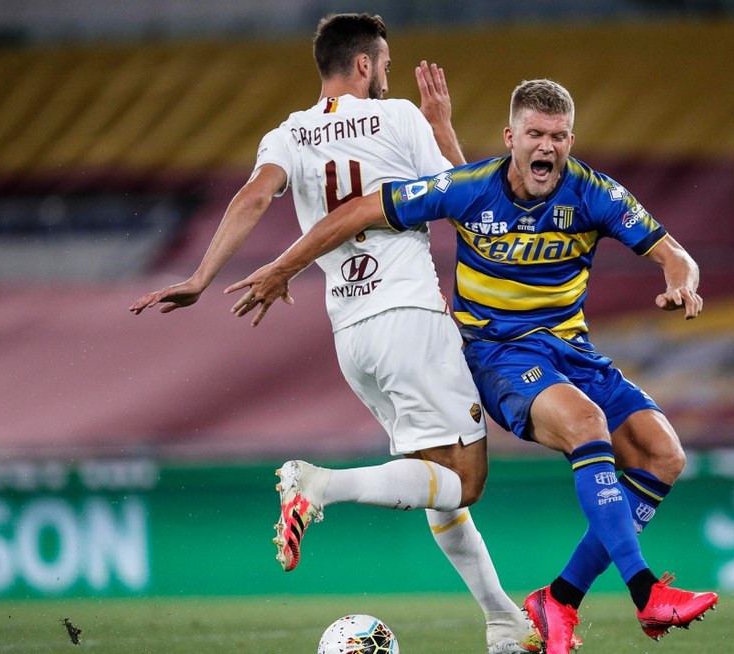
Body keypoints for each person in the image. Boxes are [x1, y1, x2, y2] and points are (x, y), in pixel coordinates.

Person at [226, 78, 720, 653]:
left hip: (572, 350)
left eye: (559, 136)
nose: (548, 146)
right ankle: (644, 594)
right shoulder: (469, 187)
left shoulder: (595, 194)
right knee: (580, 428)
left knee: (663, 455)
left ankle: (557, 600)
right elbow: (362, 208)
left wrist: (680, 282)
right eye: (535, 133)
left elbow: (675, 254)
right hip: (501, 356)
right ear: (512, 137)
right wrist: (284, 267)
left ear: (570, 140)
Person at [130, 13, 543, 654]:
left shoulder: (289, 134)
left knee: (434, 488)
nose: (387, 74)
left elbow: (251, 198)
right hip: (410, 316)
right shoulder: (401, 116)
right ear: (363, 65)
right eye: (383, 63)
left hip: (351, 335)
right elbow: (475, 198)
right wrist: (440, 126)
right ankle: (322, 484)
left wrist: (201, 277)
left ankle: (503, 623)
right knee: (465, 480)